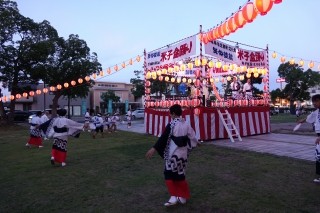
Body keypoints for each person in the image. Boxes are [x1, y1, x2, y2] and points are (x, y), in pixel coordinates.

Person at [145, 104, 200, 207]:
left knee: (168, 174)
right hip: (183, 154)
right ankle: (183, 197)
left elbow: (163, 138)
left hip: (173, 154)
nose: (170, 115)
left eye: (170, 113)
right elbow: (192, 136)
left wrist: (154, 148)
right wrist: (197, 142)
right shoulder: (186, 123)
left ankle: (174, 196)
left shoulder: (172, 124)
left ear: (173, 113)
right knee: (180, 174)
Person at [298, 94, 320, 183]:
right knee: (318, 156)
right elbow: (309, 117)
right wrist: (301, 121)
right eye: (313, 101)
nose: (314, 103)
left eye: (317, 101)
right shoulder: (317, 111)